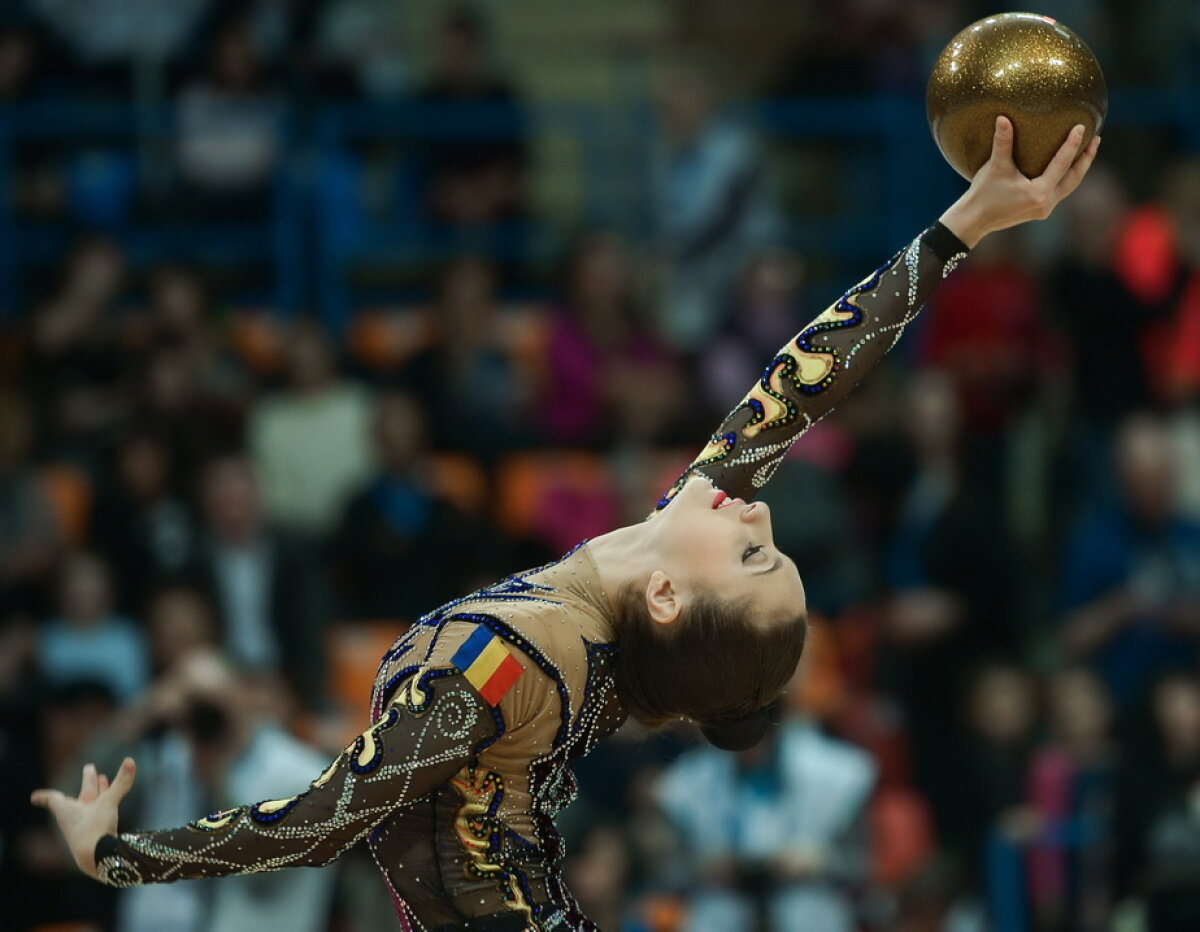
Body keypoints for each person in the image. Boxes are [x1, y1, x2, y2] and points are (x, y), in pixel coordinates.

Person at [32, 118, 1099, 932]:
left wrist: (113, 856)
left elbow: (330, 812)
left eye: (755, 550)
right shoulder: (614, 599)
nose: (758, 503)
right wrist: (963, 225)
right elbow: (807, 376)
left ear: (673, 594)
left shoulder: (510, 659)